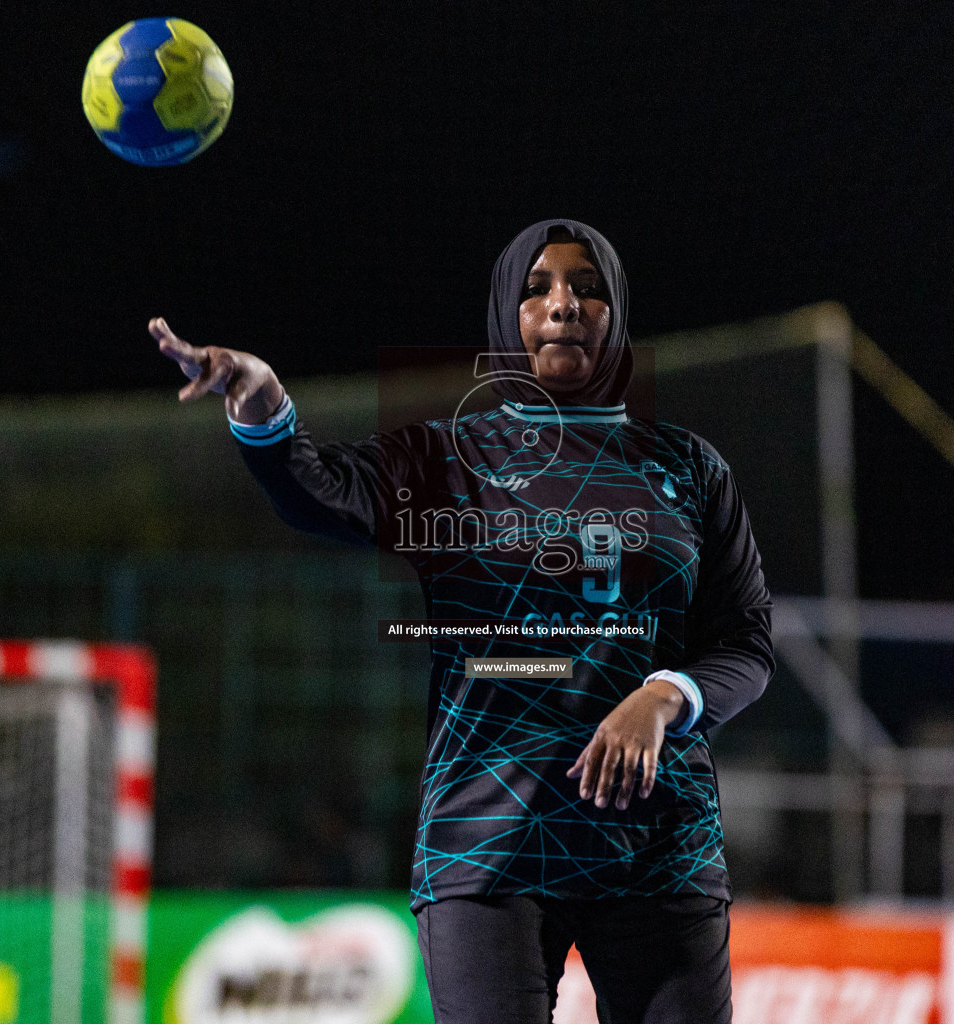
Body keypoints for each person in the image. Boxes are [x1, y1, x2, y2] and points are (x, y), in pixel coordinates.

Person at [153, 219, 775, 1023]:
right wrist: (261, 401)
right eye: (537, 289)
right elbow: (319, 487)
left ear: (616, 312)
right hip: (489, 840)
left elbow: (747, 642)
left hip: (660, 847)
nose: (563, 305)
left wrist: (665, 696)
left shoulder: (691, 467)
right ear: (503, 316)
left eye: (587, 287)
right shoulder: (450, 458)